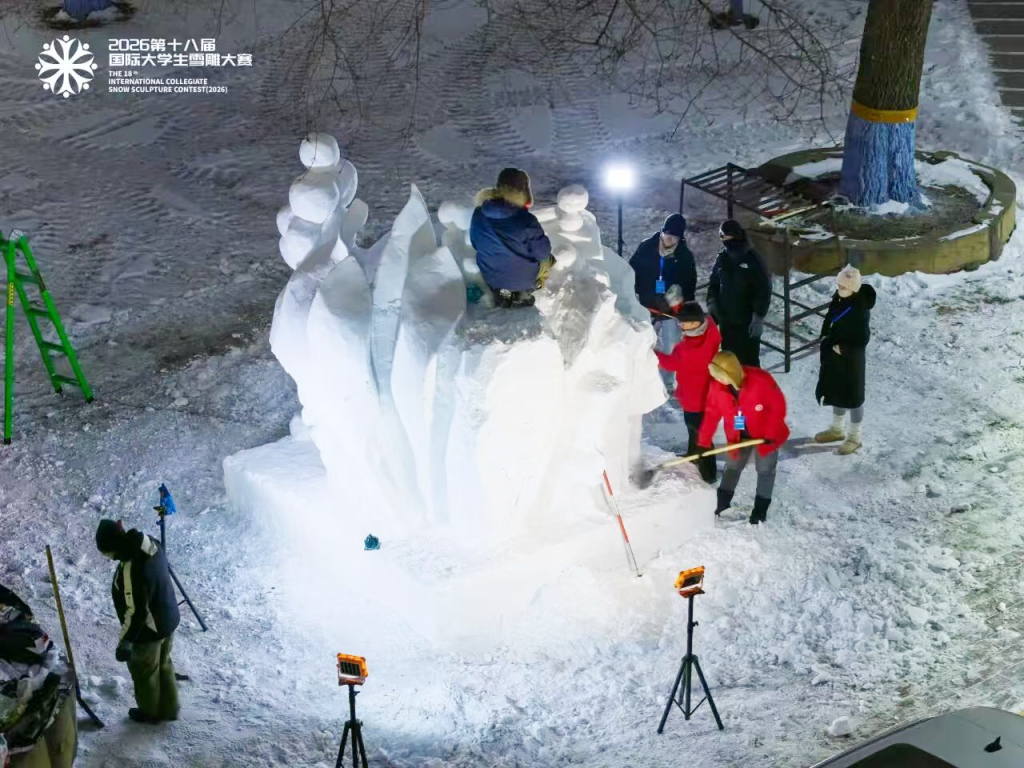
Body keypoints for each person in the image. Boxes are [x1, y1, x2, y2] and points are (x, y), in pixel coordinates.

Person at [95, 519, 180, 724]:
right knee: (164, 663)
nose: (108, 558)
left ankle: (150, 712)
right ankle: (170, 708)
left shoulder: (132, 567)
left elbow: (136, 612)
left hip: (149, 630)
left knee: (145, 673)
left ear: (113, 546)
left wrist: (126, 641)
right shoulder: (150, 543)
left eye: (106, 553)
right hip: (168, 617)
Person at [697, 350, 789, 524]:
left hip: (765, 435)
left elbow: (778, 407)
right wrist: (703, 440)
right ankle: (721, 504)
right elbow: (711, 413)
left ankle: (760, 511)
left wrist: (770, 434)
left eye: (721, 376)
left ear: (732, 373)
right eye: (716, 376)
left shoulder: (761, 380)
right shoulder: (717, 387)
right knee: (732, 467)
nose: (718, 380)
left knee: (765, 470)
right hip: (737, 435)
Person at [654, 302, 721, 483]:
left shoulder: (689, 350)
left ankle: (709, 474)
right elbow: (703, 317)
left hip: (694, 399)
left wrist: (653, 354)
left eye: (686, 323)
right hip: (707, 394)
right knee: (697, 432)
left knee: (700, 435)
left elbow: (670, 363)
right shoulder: (711, 331)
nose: (682, 325)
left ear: (696, 323)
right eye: (682, 322)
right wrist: (680, 309)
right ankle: (693, 456)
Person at [470, 168, 553, 308]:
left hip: (491, 278)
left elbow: (475, 243)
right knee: (549, 260)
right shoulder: (526, 219)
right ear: (524, 191)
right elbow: (542, 253)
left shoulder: (479, 213)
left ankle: (502, 294)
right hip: (524, 281)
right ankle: (528, 292)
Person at [814, 265, 876, 455]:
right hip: (835, 353)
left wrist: (843, 349)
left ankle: (855, 437)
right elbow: (830, 316)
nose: (839, 288)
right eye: (839, 285)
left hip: (851, 359)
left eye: (844, 286)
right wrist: (825, 334)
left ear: (853, 288)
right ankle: (837, 429)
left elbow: (862, 338)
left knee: (854, 397)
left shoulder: (859, 308)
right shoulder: (840, 297)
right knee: (836, 390)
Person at [706, 219, 771, 367]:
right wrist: (712, 306)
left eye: (726, 236)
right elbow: (714, 284)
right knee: (729, 361)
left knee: (749, 363)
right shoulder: (722, 259)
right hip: (727, 321)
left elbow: (763, 289)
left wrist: (758, 316)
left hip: (746, 322)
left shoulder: (752, 259)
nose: (724, 240)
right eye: (722, 237)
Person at [629, 213, 698, 320]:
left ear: (680, 238)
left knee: (671, 331)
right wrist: (641, 292)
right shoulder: (646, 247)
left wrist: (681, 300)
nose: (670, 239)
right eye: (668, 234)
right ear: (662, 231)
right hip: (646, 308)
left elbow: (690, 284)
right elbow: (632, 271)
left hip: (671, 312)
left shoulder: (685, 256)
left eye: (675, 236)